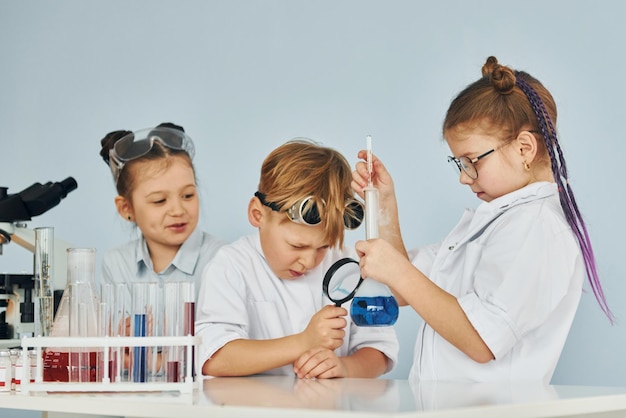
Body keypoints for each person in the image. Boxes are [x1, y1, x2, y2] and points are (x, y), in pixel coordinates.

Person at [352, 56, 613, 383]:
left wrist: (398, 271)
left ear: (524, 148)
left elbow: (481, 340)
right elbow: (404, 291)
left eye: (472, 161)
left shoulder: (538, 228)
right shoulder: (497, 223)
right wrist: (383, 204)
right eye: (459, 163)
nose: (464, 177)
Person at [195, 138, 398, 379]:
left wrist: (345, 368)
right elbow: (214, 358)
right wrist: (303, 342)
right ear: (257, 214)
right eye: (296, 245)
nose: (310, 262)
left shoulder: (348, 262)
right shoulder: (231, 265)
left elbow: (379, 350)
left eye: (324, 246)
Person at [98, 122, 226, 298]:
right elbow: (116, 323)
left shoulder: (222, 259)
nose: (177, 210)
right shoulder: (117, 263)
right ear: (126, 208)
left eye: (188, 195)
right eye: (159, 201)